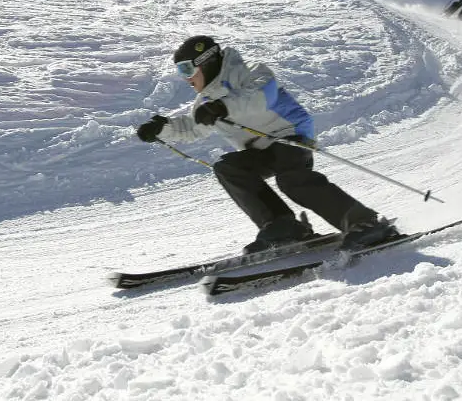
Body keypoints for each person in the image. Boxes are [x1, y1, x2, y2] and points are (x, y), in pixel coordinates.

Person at [135, 36, 398, 254]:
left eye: (187, 69)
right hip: (258, 150)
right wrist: (163, 128)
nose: (186, 78)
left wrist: (223, 106)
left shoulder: (254, 73)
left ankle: (365, 223)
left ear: (207, 62)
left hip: (290, 135)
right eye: (181, 71)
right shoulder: (206, 102)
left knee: (292, 180)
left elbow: (258, 99)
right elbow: (192, 127)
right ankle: (282, 226)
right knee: (228, 168)